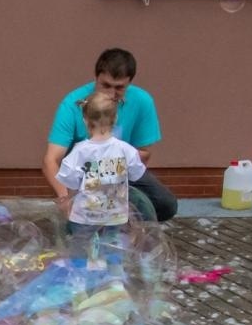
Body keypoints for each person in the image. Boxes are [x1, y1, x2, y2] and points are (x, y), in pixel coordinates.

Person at [43, 48, 177, 222]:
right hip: (83, 172)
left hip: (120, 169)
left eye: (119, 88)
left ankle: (123, 220)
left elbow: (144, 152)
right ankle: (97, 217)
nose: (111, 94)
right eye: (105, 85)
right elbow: (50, 160)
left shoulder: (143, 101)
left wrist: (116, 170)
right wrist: (65, 199)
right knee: (78, 221)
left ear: (129, 83)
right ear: (95, 77)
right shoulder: (72, 103)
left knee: (165, 204)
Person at [56, 90, 146, 234]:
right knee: (112, 250)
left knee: (80, 250)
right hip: (115, 215)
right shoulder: (125, 150)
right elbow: (136, 173)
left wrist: (70, 202)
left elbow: (70, 181)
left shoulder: (80, 151)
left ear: (85, 120)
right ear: (115, 118)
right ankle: (112, 257)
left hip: (84, 216)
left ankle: (81, 257)